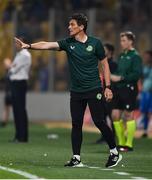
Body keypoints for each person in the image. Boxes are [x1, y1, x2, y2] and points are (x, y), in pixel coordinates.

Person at [15, 13, 122, 167]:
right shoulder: (67, 43)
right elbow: (47, 44)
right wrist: (29, 46)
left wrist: (108, 87)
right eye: (69, 24)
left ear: (81, 27)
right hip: (76, 91)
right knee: (76, 124)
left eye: (72, 24)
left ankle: (114, 152)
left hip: (94, 88)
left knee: (99, 121)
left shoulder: (96, 43)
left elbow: (105, 65)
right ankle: (76, 158)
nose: (69, 27)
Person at [111, 31, 142, 152]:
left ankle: (128, 144)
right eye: (121, 40)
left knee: (128, 115)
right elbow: (119, 71)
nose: (122, 43)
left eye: (124, 40)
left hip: (129, 88)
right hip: (119, 88)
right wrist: (114, 76)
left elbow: (136, 74)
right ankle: (121, 142)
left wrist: (121, 78)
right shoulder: (121, 56)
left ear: (131, 41)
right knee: (115, 115)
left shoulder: (135, 56)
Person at [9, 37, 32, 142]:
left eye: (17, 43)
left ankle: (22, 136)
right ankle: (18, 135)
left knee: (20, 110)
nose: (15, 45)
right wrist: (11, 66)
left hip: (19, 83)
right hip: (16, 83)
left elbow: (13, 69)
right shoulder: (20, 54)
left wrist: (8, 66)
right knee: (17, 110)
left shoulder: (24, 55)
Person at [96, 43, 117, 144]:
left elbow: (114, 79)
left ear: (110, 52)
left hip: (110, 93)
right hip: (102, 92)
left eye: (105, 49)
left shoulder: (113, 64)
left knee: (111, 116)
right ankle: (103, 137)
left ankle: (113, 137)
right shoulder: (102, 63)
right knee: (102, 116)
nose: (102, 51)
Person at [139, 50, 152, 138]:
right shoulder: (144, 67)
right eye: (145, 56)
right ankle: (145, 130)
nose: (146, 58)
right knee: (145, 111)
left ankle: (148, 130)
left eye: (148, 56)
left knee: (150, 112)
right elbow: (141, 78)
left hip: (151, 92)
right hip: (145, 92)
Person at [0, 58, 12, 127]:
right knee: (6, 108)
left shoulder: (11, 72)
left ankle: (5, 122)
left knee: (15, 108)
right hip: (8, 93)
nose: (5, 65)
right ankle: (4, 122)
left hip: (12, 92)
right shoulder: (7, 73)